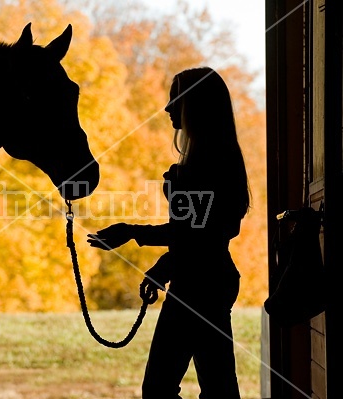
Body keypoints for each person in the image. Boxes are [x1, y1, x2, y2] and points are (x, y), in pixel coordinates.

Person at [87, 66, 250, 399]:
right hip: (210, 279)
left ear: (194, 105)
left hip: (197, 285)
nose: (167, 108)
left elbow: (195, 234)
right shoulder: (221, 158)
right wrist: (164, 266)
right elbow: (203, 234)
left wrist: (133, 233)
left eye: (175, 99)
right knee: (218, 387)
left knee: (160, 389)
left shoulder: (203, 164)